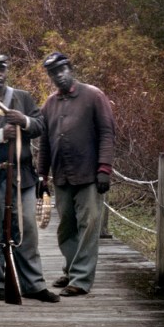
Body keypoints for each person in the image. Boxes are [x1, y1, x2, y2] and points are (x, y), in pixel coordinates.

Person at [0, 54, 60, 303]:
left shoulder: (22, 97)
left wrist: (24, 120)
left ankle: (33, 284)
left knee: (28, 231)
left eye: (1, 68)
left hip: (22, 176)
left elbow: (41, 125)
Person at [37, 52, 115, 297]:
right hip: (62, 175)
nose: (58, 75)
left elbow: (107, 133)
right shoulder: (49, 103)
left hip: (89, 174)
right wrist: (42, 176)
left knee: (89, 224)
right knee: (65, 228)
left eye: (62, 69)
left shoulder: (93, 95)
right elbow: (45, 143)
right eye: (53, 72)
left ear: (70, 68)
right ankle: (71, 269)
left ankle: (80, 279)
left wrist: (104, 168)